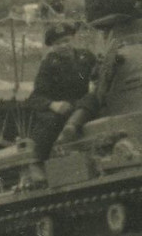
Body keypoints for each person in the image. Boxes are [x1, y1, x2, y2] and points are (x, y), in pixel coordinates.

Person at [24, 22, 98, 164]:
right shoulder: (49, 64)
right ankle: (37, 161)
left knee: (91, 98)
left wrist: (94, 82)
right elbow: (36, 96)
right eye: (58, 43)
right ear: (52, 46)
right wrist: (53, 105)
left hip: (83, 104)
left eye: (66, 41)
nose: (63, 45)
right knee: (49, 123)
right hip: (62, 109)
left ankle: (72, 126)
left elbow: (99, 71)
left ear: (73, 39)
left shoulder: (85, 56)